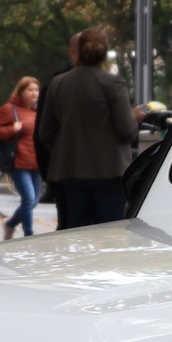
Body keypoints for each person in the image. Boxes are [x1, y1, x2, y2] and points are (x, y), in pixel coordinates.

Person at [32, 27, 137, 229]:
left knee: (75, 234)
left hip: (70, 172)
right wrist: (135, 117)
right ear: (105, 54)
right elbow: (127, 129)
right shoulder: (113, 83)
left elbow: (45, 131)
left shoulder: (58, 83)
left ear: (78, 51)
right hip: (110, 171)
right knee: (109, 234)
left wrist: (67, 148)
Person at [0, 74, 42, 239]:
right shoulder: (9, 109)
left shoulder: (39, 111)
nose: (35, 93)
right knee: (28, 199)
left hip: (37, 163)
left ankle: (10, 224)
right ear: (21, 92)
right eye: (30, 90)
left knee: (33, 202)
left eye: (37, 90)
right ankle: (29, 234)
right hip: (19, 163)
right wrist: (11, 129)